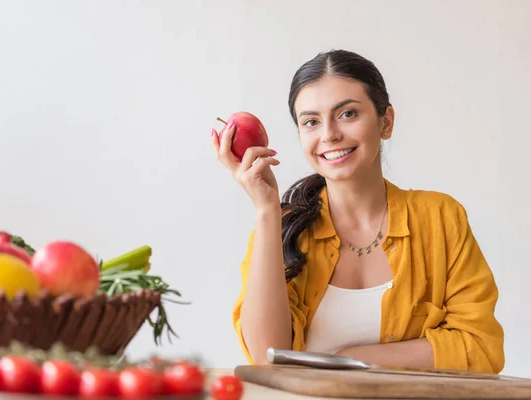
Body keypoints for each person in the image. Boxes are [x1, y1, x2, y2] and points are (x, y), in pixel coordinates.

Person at [211, 49, 505, 374]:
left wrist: (348, 359)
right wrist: (267, 210)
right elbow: (268, 358)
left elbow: (481, 348)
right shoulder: (280, 228)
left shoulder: (441, 217)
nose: (329, 134)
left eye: (348, 114)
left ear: (386, 121)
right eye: (311, 121)